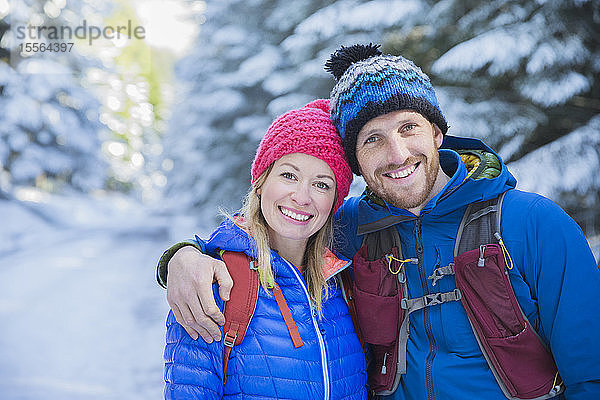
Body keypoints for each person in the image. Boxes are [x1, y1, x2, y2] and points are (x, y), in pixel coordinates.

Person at [158, 44, 600, 399]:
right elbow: (269, 232)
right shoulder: (352, 228)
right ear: (358, 164)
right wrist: (183, 257)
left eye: (408, 127)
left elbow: (592, 374)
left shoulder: (533, 224)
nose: (396, 154)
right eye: (373, 139)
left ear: (437, 133)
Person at [162, 99, 367, 399]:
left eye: (321, 184)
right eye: (288, 175)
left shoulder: (342, 284)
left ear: (335, 200)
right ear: (261, 182)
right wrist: (180, 256)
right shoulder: (214, 285)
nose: (302, 197)